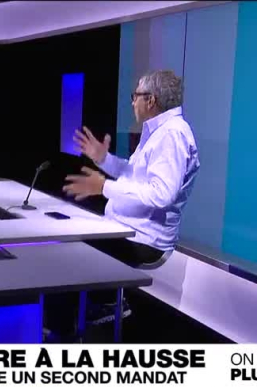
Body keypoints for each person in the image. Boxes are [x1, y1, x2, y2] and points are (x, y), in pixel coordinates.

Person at [62, 69, 200, 323]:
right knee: (69, 236)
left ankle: (96, 310)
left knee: (73, 249)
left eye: (135, 96)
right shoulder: (158, 131)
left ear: (151, 100)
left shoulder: (173, 134)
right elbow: (135, 175)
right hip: (126, 228)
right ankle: (88, 310)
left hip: (145, 240)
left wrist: (104, 187)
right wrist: (104, 159)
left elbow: (162, 194)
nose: (132, 102)